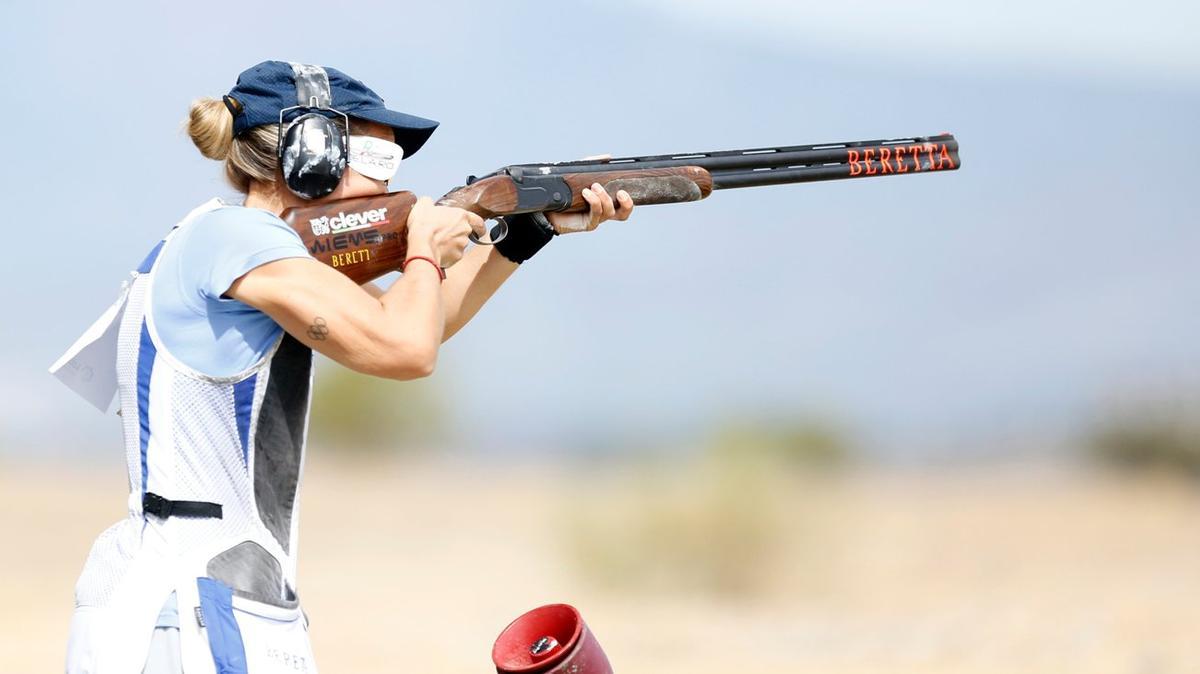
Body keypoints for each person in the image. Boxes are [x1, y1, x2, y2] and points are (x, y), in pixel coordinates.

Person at [58, 60, 633, 674]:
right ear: (312, 153)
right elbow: (407, 351)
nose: (389, 186)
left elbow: (412, 323)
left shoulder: (220, 239)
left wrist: (528, 231)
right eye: (379, 162)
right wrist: (420, 249)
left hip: (190, 594)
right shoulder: (239, 240)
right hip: (197, 603)